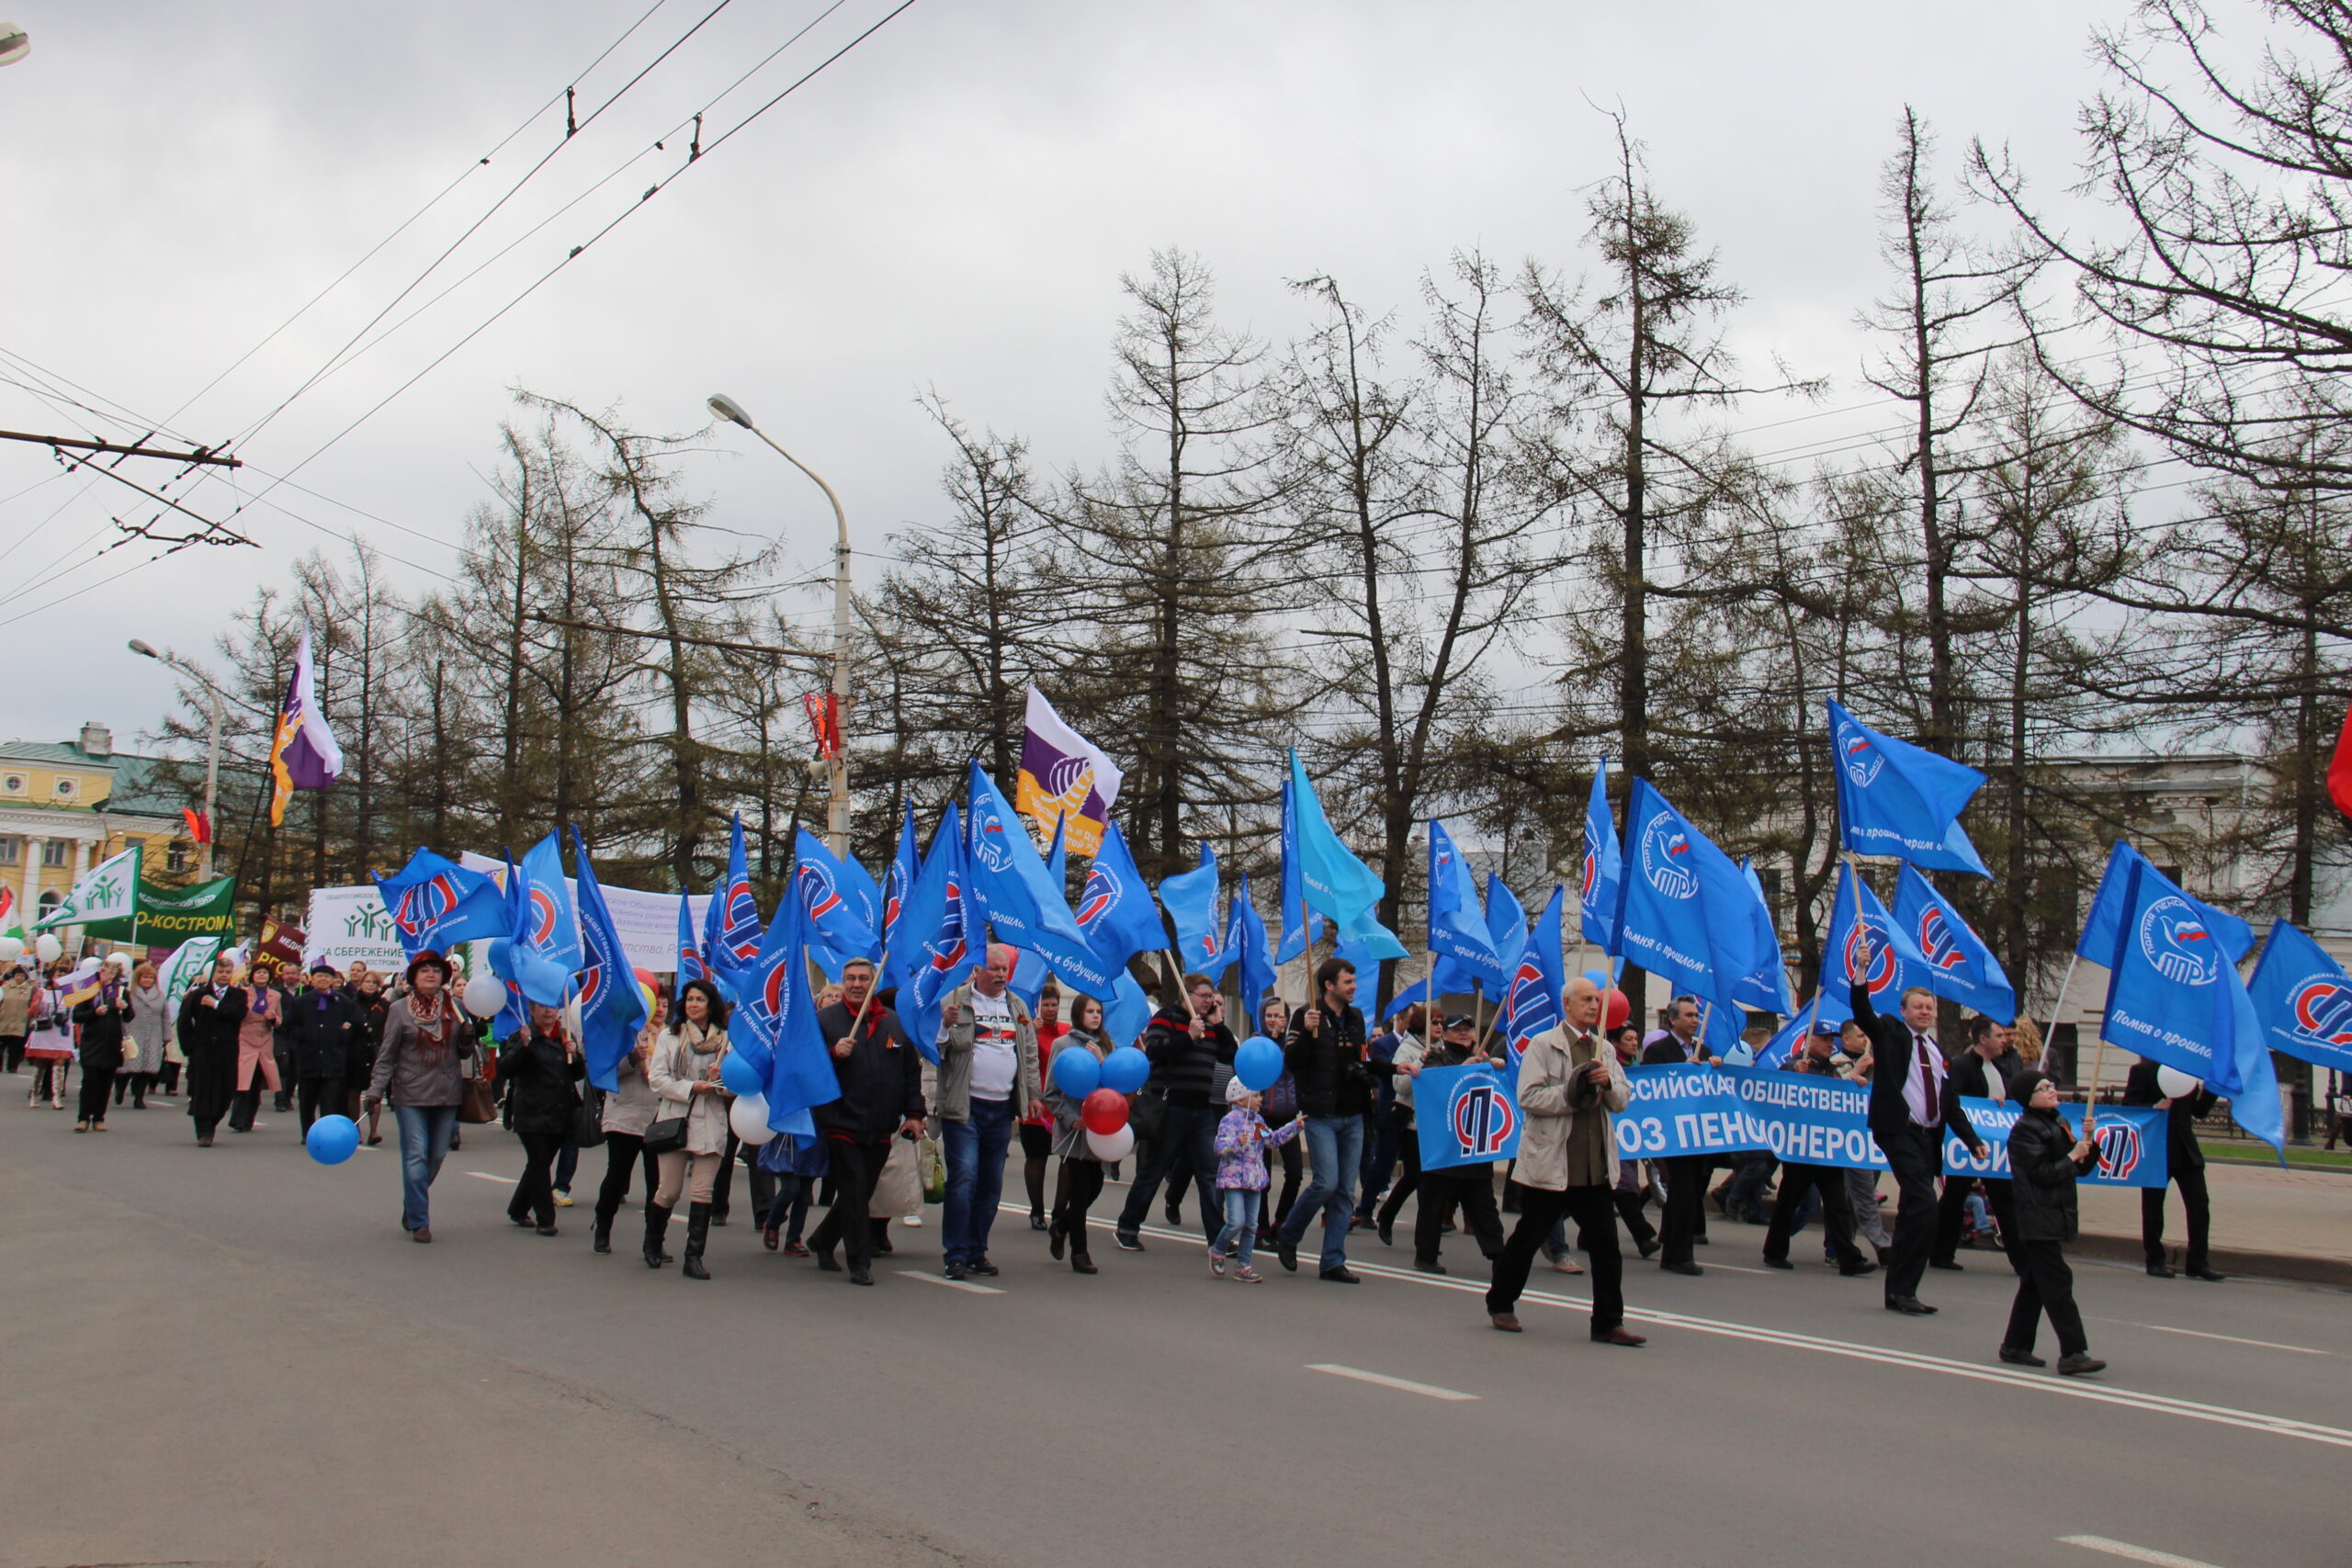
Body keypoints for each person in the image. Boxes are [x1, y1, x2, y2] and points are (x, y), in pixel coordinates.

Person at [1487, 977, 1645, 1346]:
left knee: (1607, 1247)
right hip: (1554, 1164)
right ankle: (1501, 1302)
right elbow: (1529, 1097)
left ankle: (1608, 1322)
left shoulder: (1604, 1049)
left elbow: (1622, 1100)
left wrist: (1608, 1085)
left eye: (1597, 1000)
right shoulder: (1544, 1045)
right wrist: (1572, 1091)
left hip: (1595, 1167)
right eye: (1586, 1000)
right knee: (1527, 1238)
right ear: (1568, 1004)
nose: (1594, 1006)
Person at [1852, 982, 1987, 1315]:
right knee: (1926, 1204)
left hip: (1928, 1139)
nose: (1925, 1012)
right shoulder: (1891, 1033)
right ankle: (1904, 1289)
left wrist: (1972, 1141)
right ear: (1904, 1011)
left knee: (1915, 1211)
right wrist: (1861, 974)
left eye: (1929, 1008)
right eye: (1918, 1007)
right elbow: (1862, 1012)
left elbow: (1950, 1103)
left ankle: (1900, 1291)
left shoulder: (1937, 1052)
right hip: (1899, 1131)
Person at [808, 961, 925, 1286]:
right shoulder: (825, 1021)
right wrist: (833, 1053)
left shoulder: (894, 1024)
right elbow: (807, 1067)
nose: (856, 984)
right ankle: (859, 1262)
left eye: (863, 978)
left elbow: (909, 1074)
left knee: (860, 1192)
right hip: (841, 1120)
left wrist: (915, 1115)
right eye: (850, 979)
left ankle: (821, 1240)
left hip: (881, 1124)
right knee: (855, 1190)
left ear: (873, 982)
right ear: (842, 982)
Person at [934, 945, 1043, 1279]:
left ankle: (976, 1250)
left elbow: (1028, 1054)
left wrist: (1033, 1095)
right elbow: (934, 1050)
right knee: (964, 1178)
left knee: (990, 1185)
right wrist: (944, 1027)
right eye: (993, 969)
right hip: (965, 1109)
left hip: (1001, 1110)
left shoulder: (1017, 1006)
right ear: (977, 970)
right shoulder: (955, 1001)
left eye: (1004, 970)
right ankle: (955, 1253)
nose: (999, 975)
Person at [1114, 970, 1237, 1252]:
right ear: (1187, 995)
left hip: (1202, 1110)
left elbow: (1230, 1055)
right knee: (1154, 1170)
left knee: (1209, 1174)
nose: (1209, 1002)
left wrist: (1219, 1025)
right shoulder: (1166, 1018)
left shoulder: (1211, 1025)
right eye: (1204, 997)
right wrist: (1189, 1037)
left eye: (1211, 997)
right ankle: (1127, 1226)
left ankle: (1217, 1239)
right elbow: (1155, 1051)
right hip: (1171, 1107)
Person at [363, 951, 479, 1243]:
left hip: (447, 1091)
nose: (430, 975)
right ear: (413, 977)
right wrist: (376, 1089)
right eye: (424, 970)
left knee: (436, 1156)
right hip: (410, 1093)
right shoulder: (399, 1009)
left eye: (436, 971)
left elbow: (465, 1053)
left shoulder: (457, 1006)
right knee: (415, 1155)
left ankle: (412, 1204)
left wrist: (468, 1037)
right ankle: (420, 1220)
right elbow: (387, 1054)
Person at [2000, 1067, 2106, 1375]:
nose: (2051, 1089)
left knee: (2035, 1283)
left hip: (2054, 1214)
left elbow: (2079, 1169)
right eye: (2042, 1087)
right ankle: (2073, 1352)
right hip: (2037, 1217)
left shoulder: (2057, 1123)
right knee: (2058, 1283)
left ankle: (2015, 1345)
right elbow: (2042, 1174)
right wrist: (2073, 1156)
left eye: (2051, 1084)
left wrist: (2089, 1143)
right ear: (2027, 1099)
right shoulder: (2024, 1131)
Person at [1273, 957, 1372, 1282]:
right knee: (1325, 1182)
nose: (1354, 987)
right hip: (1320, 1114)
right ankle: (1289, 1233)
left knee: (1345, 1191)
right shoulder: (1306, 1015)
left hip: (1352, 1114)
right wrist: (1307, 1033)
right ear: (1329, 985)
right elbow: (1293, 1062)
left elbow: (1360, 1059)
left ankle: (1332, 1261)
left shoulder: (1356, 1017)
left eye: (1354, 981)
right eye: (1348, 982)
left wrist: (1380, 1074)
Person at [1759, 1025, 1875, 1277]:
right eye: (1823, 1039)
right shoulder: (1796, 1065)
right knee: (1788, 1202)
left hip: (1825, 1148)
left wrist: (1856, 1082)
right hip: (1801, 1149)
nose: (1829, 1044)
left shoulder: (1829, 1069)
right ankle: (1774, 1251)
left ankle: (1848, 1259)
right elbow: (1779, 1089)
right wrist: (1793, 1073)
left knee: (1837, 1205)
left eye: (1830, 1040)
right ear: (1808, 1040)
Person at [1397, 1013, 1508, 1274]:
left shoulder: (1484, 1060)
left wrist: (1499, 1067)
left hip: (1473, 1145)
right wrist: (1463, 1069)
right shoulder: (1436, 1057)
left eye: (1467, 1029)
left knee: (1484, 1203)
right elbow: (1432, 1082)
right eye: (1456, 1029)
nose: (1463, 1033)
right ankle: (1425, 1255)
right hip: (1445, 1145)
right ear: (1445, 1034)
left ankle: (1498, 1255)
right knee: (1434, 1203)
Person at [646, 978, 733, 1280]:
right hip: (676, 1120)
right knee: (668, 1191)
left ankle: (693, 1256)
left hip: (710, 1121)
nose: (694, 1004)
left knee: (703, 1192)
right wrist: (690, 1086)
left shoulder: (725, 1040)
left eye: (700, 999)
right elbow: (656, 1079)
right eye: (690, 999)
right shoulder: (671, 1036)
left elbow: (736, 1087)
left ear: (711, 1005)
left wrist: (721, 1080)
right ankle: (653, 1242)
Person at [1933, 1015, 2025, 1272]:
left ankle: (2022, 1260)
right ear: (1983, 1039)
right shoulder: (1962, 1066)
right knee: (1954, 1197)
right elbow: (1956, 1102)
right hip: (1968, 1144)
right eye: (1998, 1036)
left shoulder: (2001, 1066)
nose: (2004, 1040)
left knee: (2005, 1200)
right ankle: (1941, 1252)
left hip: (1993, 1147)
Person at [2121, 1055, 2224, 1281]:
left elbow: (2197, 1111)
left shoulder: (2186, 1071)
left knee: (2199, 1204)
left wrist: (2211, 1088)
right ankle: (2155, 1260)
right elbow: (2128, 1107)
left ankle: (2198, 1262)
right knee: (2153, 1207)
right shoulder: (2143, 1070)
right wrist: (2153, 1107)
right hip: (2156, 1149)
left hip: (2185, 1149)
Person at [1640, 996, 1713, 1274]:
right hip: (1671, 1134)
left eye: (1696, 1016)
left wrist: (1712, 1067)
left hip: (1696, 1134)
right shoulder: (1659, 1050)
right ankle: (1681, 1255)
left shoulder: (1703, 1050)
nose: (1695, 1020)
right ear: (1672, 1019)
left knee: (1689, 1193)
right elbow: (1649, 1088)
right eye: (1689, 1015)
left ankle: (1671, 1250)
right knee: (1683, 1194)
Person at [499, 1000, 584, 1236]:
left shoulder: (565, 1037)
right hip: (531, 1112)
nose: (548, 1011)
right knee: (539, 1163)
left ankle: (517, 1208)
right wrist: (523, 1047)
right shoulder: (523, 1036)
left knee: (540, 1163)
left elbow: (577, 1074)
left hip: (561, 1112)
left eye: (552, 1007)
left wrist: (574, 1055)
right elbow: (506, 1068)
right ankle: (546, 1218)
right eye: (542, 1006)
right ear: (532, 1010)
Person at [1044, 992, 1112, 1273]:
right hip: (1075, 1132)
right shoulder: (1063, 1045)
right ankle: (1079, 1252)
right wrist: (1071, 1119)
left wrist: (1101, 1061)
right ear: (1078, 1015)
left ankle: (1060, 1226)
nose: (1095, 1016)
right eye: (1090, 1012)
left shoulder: (1106, 1045)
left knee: (1095, 1186)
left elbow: (1112, 1086)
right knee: (1081, 1189)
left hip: (1099, 1131)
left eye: (1098, 1011)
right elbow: (1050, 1093)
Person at [1210, 1077, 1302, 1281]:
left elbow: (1272, 1141)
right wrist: (1236, 1141)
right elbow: (1219, 1147)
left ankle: (1244, 1266)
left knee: (1251, 1225)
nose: (1261, 1099)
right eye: (1257, 1096)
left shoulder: (1258, 1122)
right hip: (1233, 1179)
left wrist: (1294, 1126)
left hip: (1254, 1180)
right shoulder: (1230, 1121)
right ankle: (1218, 1249)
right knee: (1235, 1222)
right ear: (1241, 1100)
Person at [1831, 1020, 1892, 1262]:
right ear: (1846, 1040)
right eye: (1860, 1035)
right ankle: (1884, 1247)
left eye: (1867, 1035)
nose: (1866, 1039)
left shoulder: (1879, 1065)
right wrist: (1856, 1072)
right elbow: (1830, 1094)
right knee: (1864, 1194)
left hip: (1874, 1138)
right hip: (1847, 1139)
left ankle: (1841, 1246)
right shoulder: (1834, 1063)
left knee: (1853, 1197)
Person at [1369, 1004, 1429, 1247]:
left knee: (1430, 1178)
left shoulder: (1441, 1049)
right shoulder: (1407, 1049)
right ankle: (1385, 1212)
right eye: (1434, 1023)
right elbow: (1400, 1086)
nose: (1439, 1028)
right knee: (1414, 1174)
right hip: (1410, 1121)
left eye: (1441, 1024)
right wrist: (1422, 1062)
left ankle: (1427, 1235)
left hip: (1433, 1123)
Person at [177, 953, 247, 1145]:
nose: (224, 975)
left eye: (227, 972)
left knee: (225, 1092)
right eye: (220, 971)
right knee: (203, 1091)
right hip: (203, 1049)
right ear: (213, 973)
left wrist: (216, 1004)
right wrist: (189, 1047)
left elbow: (238, 1013)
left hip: (227, 1050)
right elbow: (184, 1021)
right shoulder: (198, 994)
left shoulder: (238, 995)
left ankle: (213, 1121)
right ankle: (204, 1130)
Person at [1607, 1022, 1662, 1258]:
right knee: (1625, 1185)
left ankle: (1585, 1236)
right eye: (1628, 1038)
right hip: (1613, 1134)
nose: (1633, 1042)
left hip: (1632, 1135)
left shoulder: (1639, 1068)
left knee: (1597, 1192)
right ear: (1616, 1043)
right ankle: (1644, 1237)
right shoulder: (1609, 1066)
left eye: (1636, 1038)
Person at [289, 961, 361, 1136]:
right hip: (309, 1058)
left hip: (333, 1059)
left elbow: (355, 1021)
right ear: (312, 979)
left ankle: (326, 1133)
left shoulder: (343, 1002)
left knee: (330, 1101)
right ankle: (308, 1133)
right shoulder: (301, 1002)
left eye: (327, 976)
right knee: (307, 1100)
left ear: (332, 980)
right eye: (319, 976)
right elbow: (290, 1026)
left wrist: (344, 1033)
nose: (323, 979)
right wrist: (304, 1035)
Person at [1253, 996, 1304, 1237]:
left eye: (1279, 1016)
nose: (1274, 1021)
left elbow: (1296, 1066)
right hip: (1261, 1117)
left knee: (1295, 1173)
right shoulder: (1256, 1040)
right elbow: (1262, 1066)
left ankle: (1281, 1221)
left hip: (1287, 1115)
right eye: (1269, 1016)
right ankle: (1260, 1225)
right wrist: (1272, 1040)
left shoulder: (1293, 1043)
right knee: (1261, 1176)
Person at [1020, 983, 1068, 1231]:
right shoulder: (1029, 1030)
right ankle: (1036, 1210)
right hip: (1036, 1105)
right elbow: (1020, 1058)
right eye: (1045, 1005)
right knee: (1036, 1158)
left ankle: (1060, 1211)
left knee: (1066, 1161)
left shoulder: (1067, 1032)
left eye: (1054, 1004)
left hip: (1061, 1106)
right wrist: (1030, 1032)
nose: (1050, 1009)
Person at [71, 964, 134, 1132]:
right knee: (90, 1082)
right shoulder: (89, 991)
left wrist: (124, 1007)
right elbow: (77, 1015)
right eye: (101, 971)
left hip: (112, 1044)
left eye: (107, 971)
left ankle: (99, 1118)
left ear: (114, 975)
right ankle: (83, 1118)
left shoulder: (120, 992)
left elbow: (129, 1017)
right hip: (92, 1043)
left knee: (105, 1084)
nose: (103, 974)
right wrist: (94, 1013)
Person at [227, 960, 284, 1134]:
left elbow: (280, 1020)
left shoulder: (275, 996)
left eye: (265, 973)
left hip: (264, 1042)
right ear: (252, 976)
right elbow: (235, 1014)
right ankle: (237, 1119)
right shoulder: (242, 993)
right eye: (258, 972)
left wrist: (273, 1019)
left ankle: (248, 1120)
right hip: (245, 1040)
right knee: (244, 1083)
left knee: (257, 1084)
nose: (261, 975)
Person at [116, 961, 167, 1109]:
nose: (148, 980)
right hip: (132, 1033)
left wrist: (166, 1036)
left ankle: (139, 1097)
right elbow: (123, 1015)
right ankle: (120, 1088)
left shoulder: (160, 996)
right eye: (145, 977)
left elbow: (165, 1016)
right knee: (128, 1067)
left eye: (151, 978)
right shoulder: (129, 994)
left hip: (153, 1035)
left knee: (145, 1069)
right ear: (138, 978)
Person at [345, 970, 390, 1144]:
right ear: (361, 984)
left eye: (374, 983)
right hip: (355, 1053)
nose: (370, 985)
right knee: (354, 1093)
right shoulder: (351, 1004)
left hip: (376, 1054)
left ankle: (374, 1131)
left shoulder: (384, 1005)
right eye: (367, 982)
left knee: (375, 1092)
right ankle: (355, 1129)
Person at [26, 963, 74, 1109]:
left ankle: (57, 1097)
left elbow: (74, 1017)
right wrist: (37, 1002)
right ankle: (35, 1094)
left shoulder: (72, 994)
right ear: (52, 977)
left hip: (61, 1032)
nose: (61, 978)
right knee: (40, 1065)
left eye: (65, 975)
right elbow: (32, 1013)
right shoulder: (43, 992)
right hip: (45, 1031)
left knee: (59, 1065)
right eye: (58, 975)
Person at [0, 964, 30, 1075]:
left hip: (20, 1022)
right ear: (13, 976)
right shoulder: (5, 988)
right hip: (3, 1020)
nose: (20, 977)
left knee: (15, 1048)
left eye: (22, 976)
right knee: (1, 1046)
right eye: (18, 975)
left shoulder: (29, 989)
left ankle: (13, 1066)